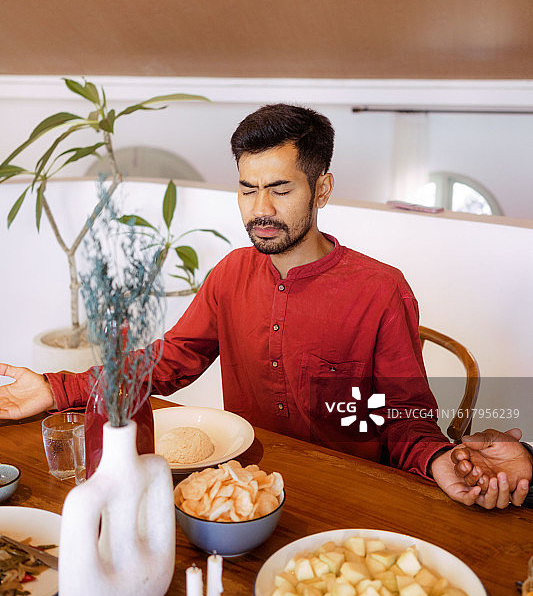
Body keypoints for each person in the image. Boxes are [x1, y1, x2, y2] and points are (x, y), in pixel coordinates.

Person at [0, 103, 530, 508]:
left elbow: (404, 419)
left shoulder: (381, 290)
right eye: (247, 189)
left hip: (348, 497)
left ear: (322, 189)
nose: (260, 210)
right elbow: (167, 362)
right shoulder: (231, 272)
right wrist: (54, 387)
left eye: (279, 189)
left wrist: (439, 459)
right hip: (243, 491)